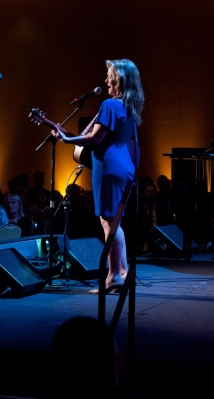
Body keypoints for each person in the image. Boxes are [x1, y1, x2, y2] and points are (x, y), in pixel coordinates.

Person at [52, 59, 144, 292]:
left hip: (109, 168)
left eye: (109, 76)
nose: (106, 80)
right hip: (126, 168)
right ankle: (121, 272)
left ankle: (114, 276)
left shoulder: (110, 105)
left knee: (108, 222)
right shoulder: (129, 107)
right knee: (115, 222)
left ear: (119, 79)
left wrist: (66, 139)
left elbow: (94, 140)